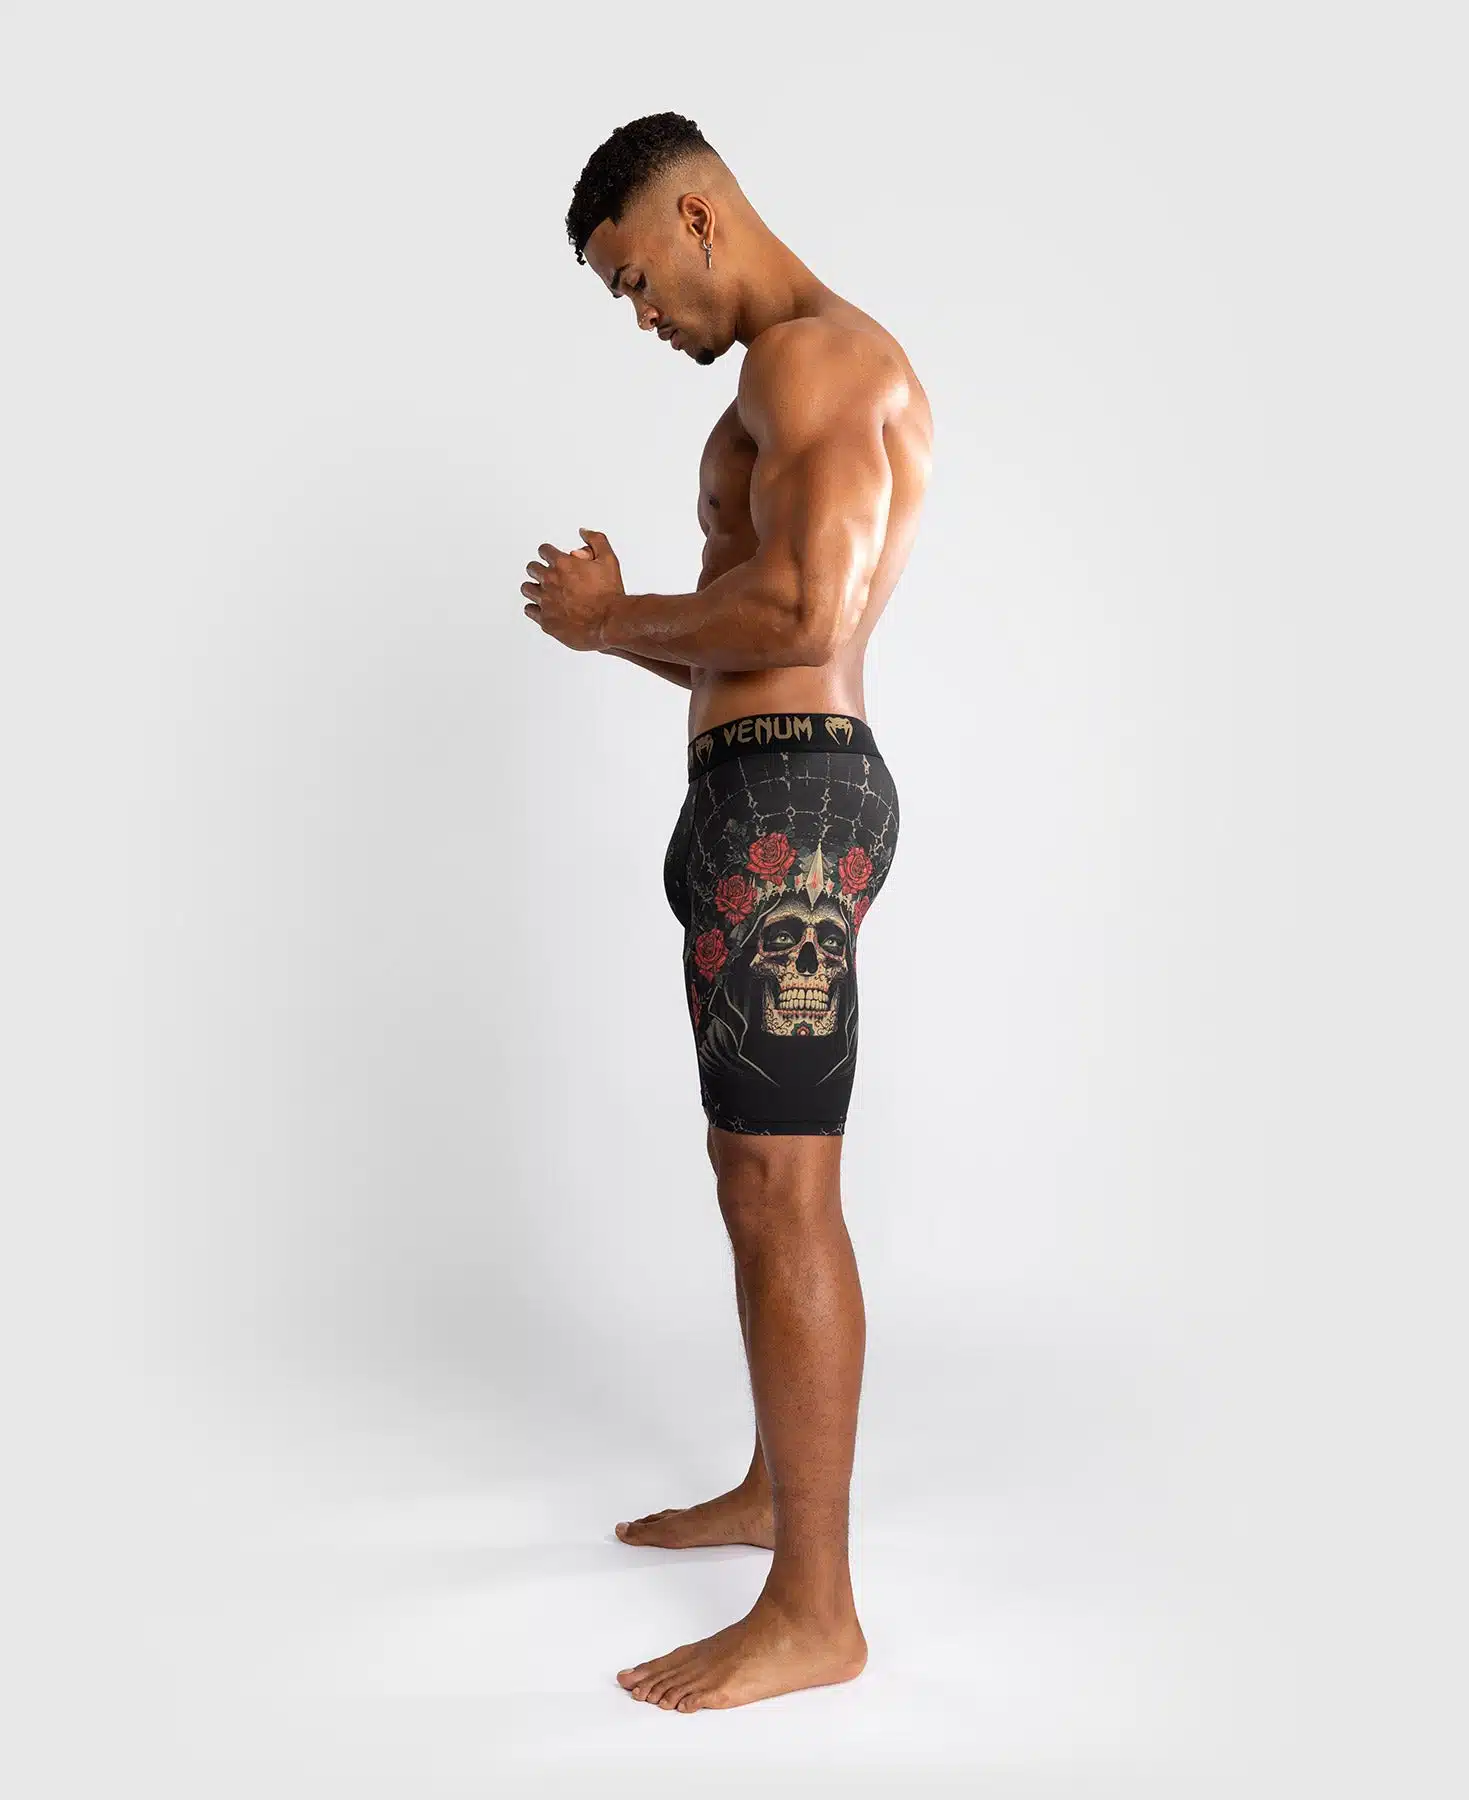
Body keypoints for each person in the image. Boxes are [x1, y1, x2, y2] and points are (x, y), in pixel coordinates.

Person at [521, 111, 933, 1712]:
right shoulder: (798, 371)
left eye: (636, 278)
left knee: (780, 1187)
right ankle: (775, 1490)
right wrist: (615, 633)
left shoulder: (812, 360)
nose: (641, 316)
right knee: (748, 1170)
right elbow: (739, 640)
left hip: (794, 812)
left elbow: (804, 611)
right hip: (765, 797)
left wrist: (618, 612)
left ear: (698, 216)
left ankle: (817, 1609)